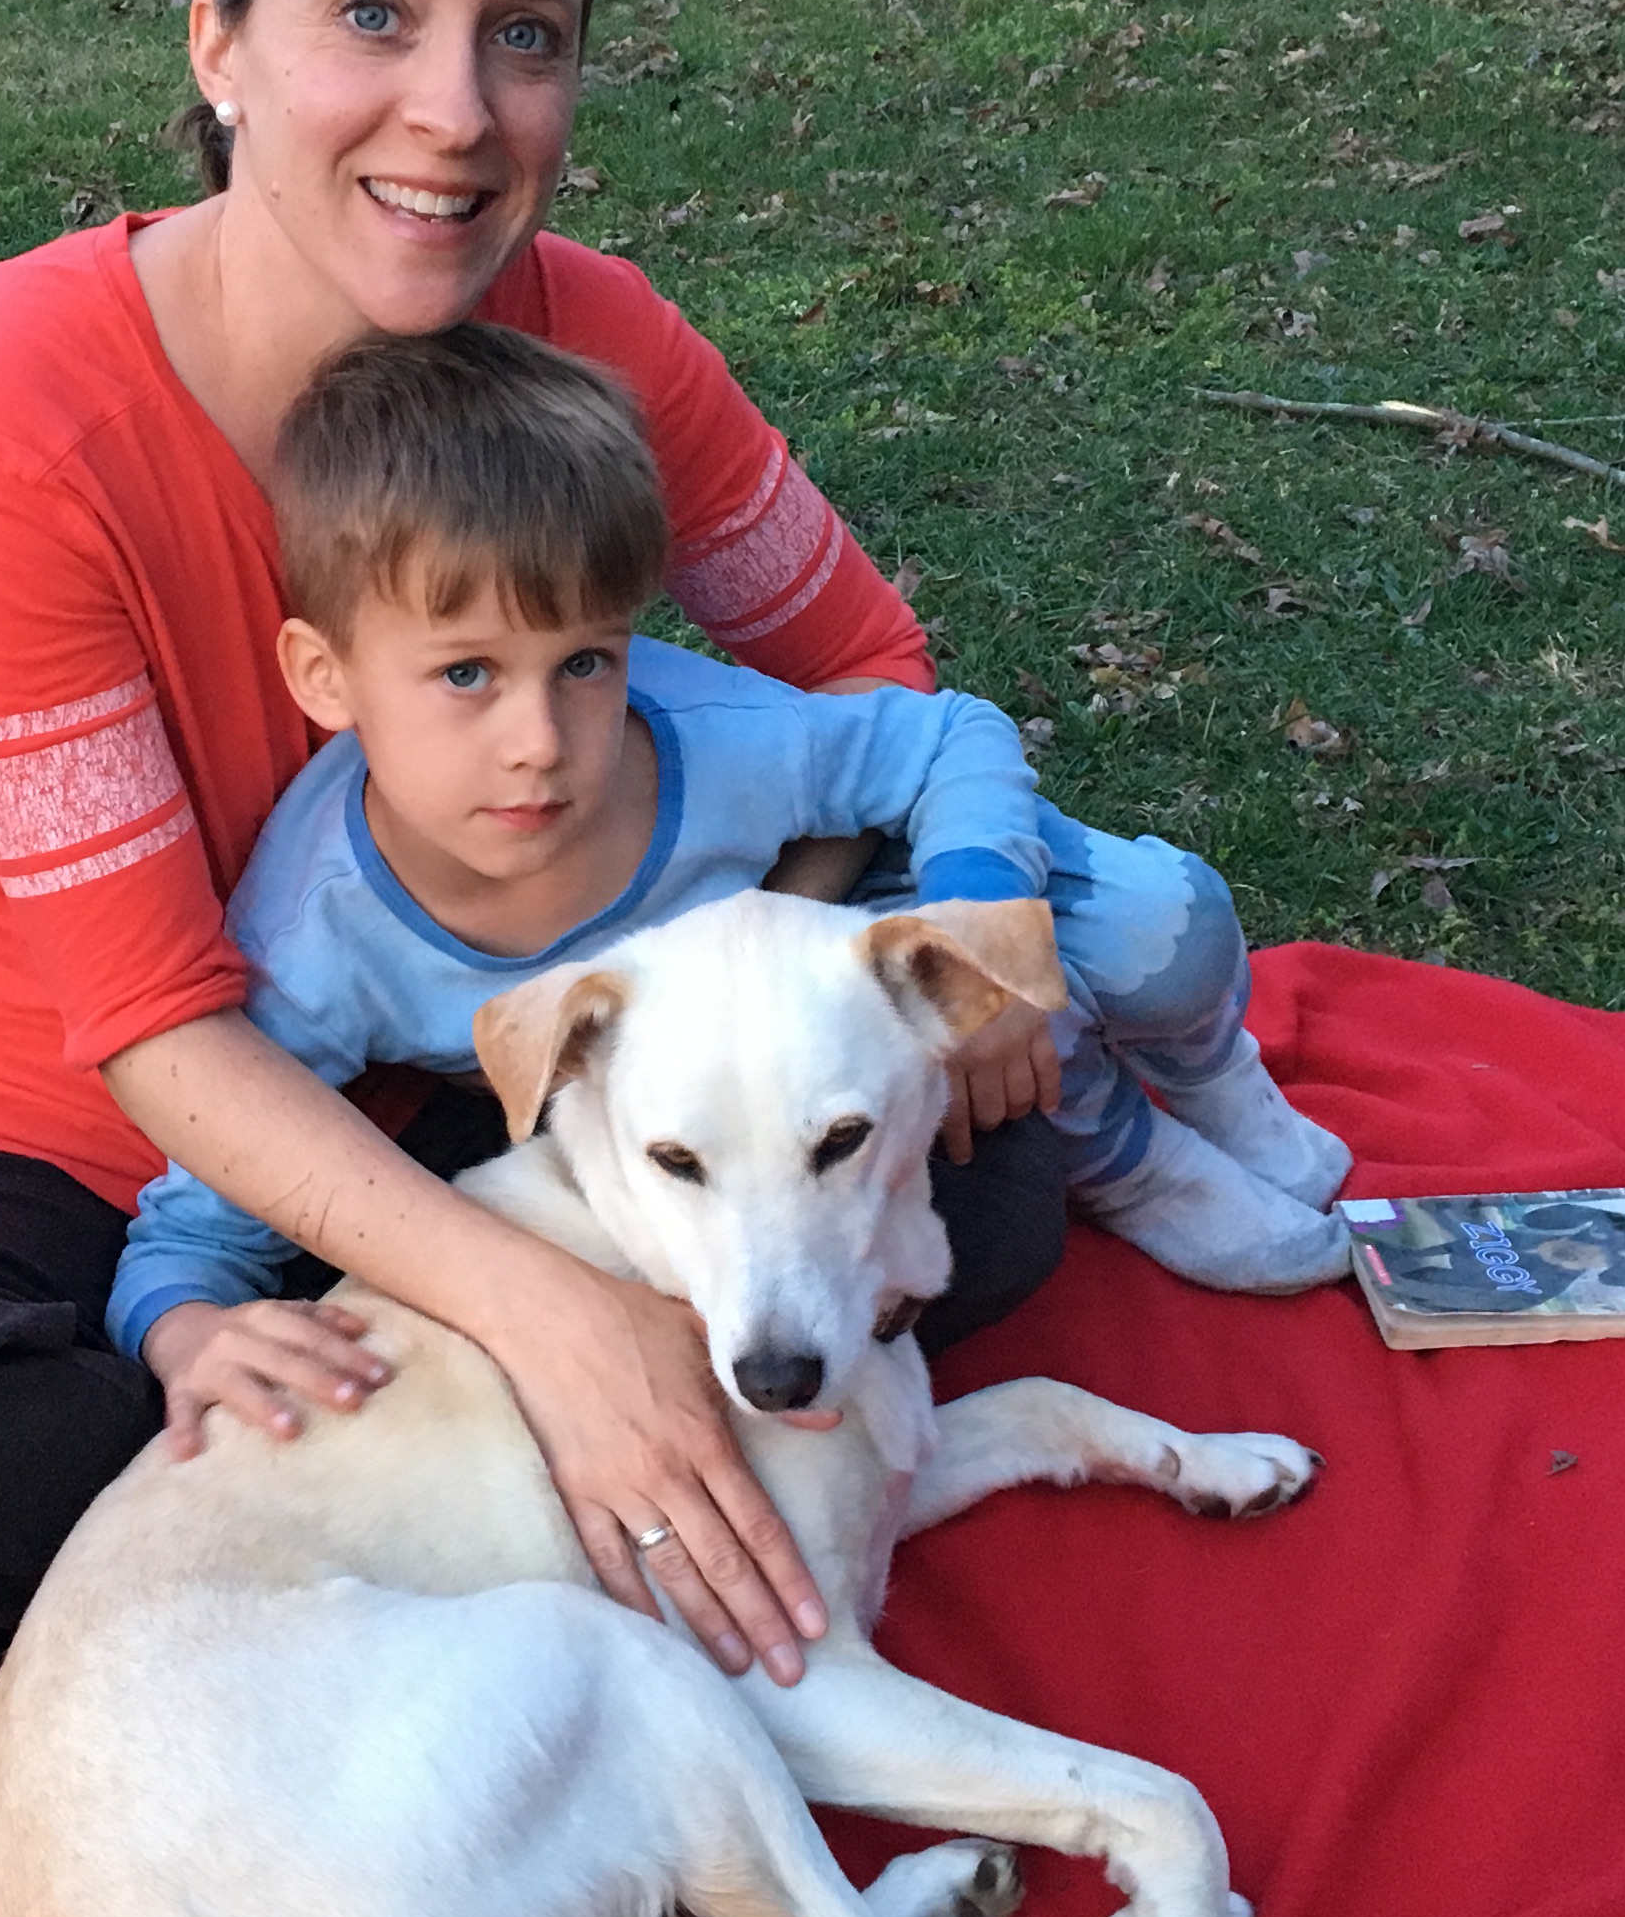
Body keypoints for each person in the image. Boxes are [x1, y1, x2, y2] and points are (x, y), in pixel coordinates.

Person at [0, 0, 1071, 1697]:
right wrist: (550, 1321)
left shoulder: (601, 341)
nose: (452, 111)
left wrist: (747, 979)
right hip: (52, 1135)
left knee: (988, 1167)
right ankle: (499, 1503)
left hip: (507, 1064)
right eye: (372, 14)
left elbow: (868, 670)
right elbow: (152, 1021)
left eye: (524, 34)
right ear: (218, 41)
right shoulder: (23, 402)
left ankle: (462, 1528)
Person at [106, 321, 1352, 1431]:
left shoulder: (711, 743)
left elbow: (947, 737)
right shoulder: (322, 934)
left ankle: (1215, 1081)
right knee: (968, 1153)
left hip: (860, 939)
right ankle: (1127, 1157)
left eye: (585, 663)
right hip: (740, 1093)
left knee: (1161, 925)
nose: (540, 741)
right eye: (466, 674)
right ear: (323, 678)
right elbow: (209, 1200)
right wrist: (180, 1326)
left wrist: (975, 912)